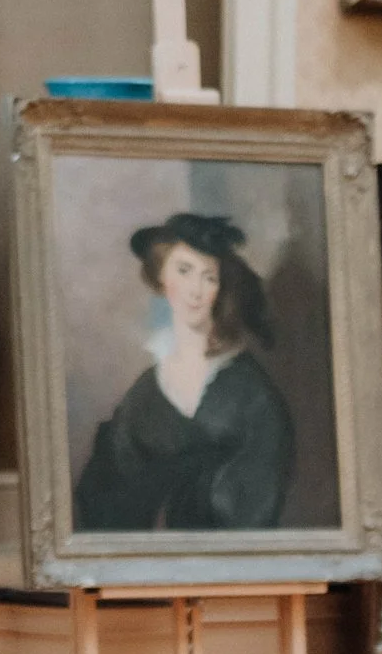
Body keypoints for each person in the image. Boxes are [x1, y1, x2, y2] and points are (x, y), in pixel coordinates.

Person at [73, 212, 294, 531]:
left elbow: (256, 504)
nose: (196, 290)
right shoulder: (146, 392)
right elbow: (105, 492)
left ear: (220, 288)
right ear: (161, 278)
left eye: (209, 277)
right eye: (184, 271)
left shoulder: (252, 393)